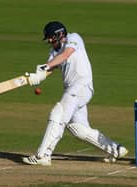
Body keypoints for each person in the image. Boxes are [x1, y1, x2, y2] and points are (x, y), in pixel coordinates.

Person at [22, 21, 128, 166]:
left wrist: (46, 66)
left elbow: (66, 55)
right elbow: (49, 68)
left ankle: (43, 155)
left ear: (60, 34)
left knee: (58, 113)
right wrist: (37, 76)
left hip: (81, 86)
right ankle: (115, 149)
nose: (50, 41)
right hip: (72, 90)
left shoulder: (74, 38)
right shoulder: (53, 52)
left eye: (51, 38)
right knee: (77, 129)